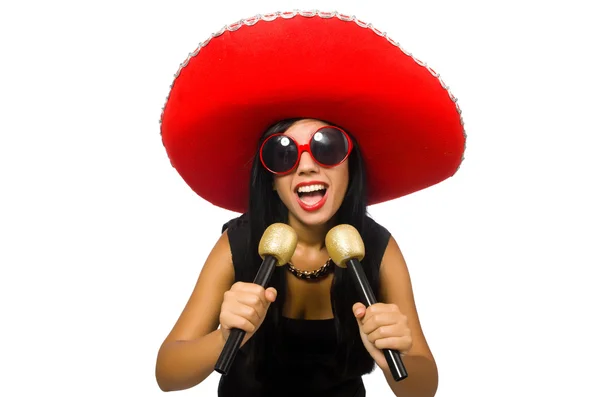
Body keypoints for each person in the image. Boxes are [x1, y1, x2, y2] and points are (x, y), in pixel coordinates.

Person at [155, 10, 466, 397]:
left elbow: (422, 388)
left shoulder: (379, 250)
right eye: (283, 153)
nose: (305, 166)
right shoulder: (238, 244)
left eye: (327, 147)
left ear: (350, 166)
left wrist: (393, 356)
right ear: (270, 180)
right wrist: (223, 337)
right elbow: (168, 373)